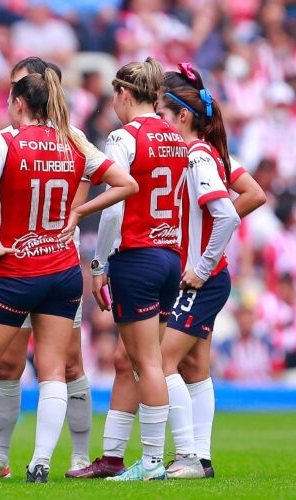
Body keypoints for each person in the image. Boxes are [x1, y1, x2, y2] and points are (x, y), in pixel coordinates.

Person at [0, 70, 137, 484]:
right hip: (62, 270)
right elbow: (125, 183)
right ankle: (40, 465)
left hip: (17, 269)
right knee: (54, 370)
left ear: (20, 102)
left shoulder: (3, 141)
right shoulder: (72, 140)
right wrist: (79, 212)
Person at [0, 57, 96, 480]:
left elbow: (86, 188)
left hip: (56, 261)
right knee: (6, 364)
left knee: (67, 363)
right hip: (15, 259)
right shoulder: (3, 138)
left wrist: (71, 217)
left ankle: (80, 456)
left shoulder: (72, 138)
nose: (15, 95)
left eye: (19, 87)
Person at [71, 58, 188, 482]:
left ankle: (153, 463)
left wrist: (99, 265)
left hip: (137, 255)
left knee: (147, 362)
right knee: (127, 358)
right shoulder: (175, 137)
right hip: (170, 255)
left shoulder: (123, 136)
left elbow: (114, 208)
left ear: (123, 94)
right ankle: (113, 457)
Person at [158, 63, 261, 479]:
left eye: (163, 114)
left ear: (183, 116)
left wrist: (200, 264)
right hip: (210, 275)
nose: (158, 122)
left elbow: (227, 217)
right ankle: (201, 458)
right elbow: (246, 198)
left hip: (202, 279)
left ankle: (187, 456)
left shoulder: (198, 155)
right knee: (194, 368)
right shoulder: (209, 152)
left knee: (160, 362)